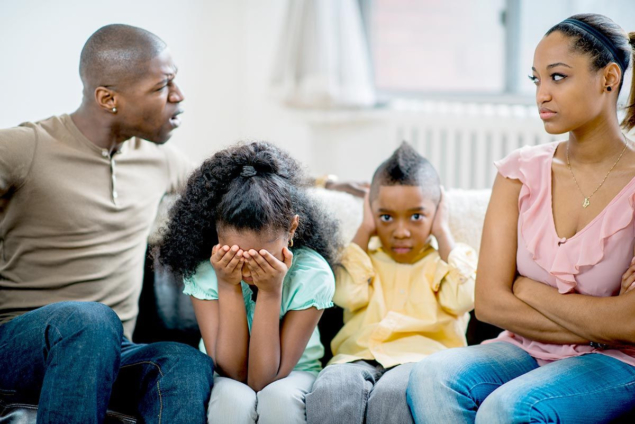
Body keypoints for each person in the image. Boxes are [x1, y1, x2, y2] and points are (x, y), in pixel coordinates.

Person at [406, 13, 635, 424]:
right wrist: (601, 323)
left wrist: (528, 289)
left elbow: (630, 323)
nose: (542, 95)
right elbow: (489, 303)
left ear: (609, 78)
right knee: (431, 375)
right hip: (524, 347)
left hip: (617, 362)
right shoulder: (519, 172)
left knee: (510, 407)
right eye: (536, 80)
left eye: (558, 77)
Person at [0, 24, 214, 423]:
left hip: (111, 351)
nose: (178, 96)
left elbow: (227, 182)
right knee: (90, 321)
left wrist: (323, 183)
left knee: (184, 361)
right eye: (162, 86)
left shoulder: (158, 159)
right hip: (19, 345)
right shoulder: (25, 148)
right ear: (108, 99)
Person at [156, 141, 338, 423]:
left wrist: (270, 292)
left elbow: (264, 380)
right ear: (217, 234)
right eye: (238, 256)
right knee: (231, 399)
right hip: (224, 374)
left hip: (295, 373)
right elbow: (232, 372)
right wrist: (227, 286)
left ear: (291, 229)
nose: (251, 268)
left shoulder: (312, 275)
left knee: (279, 399)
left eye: (263, 257)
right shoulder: (206, 272)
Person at [305, 142, 477, 424]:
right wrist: (364, 229)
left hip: (419, 361)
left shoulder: (450, 260)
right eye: (386, 217)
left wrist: (443, 232)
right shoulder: (363, 258)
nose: (400, 232)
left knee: (393, 395)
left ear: (437, 213)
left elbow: (465, 298)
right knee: (332, 388)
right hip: (356, 358)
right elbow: (345, 294)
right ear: (371, 212)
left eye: (416, 217)